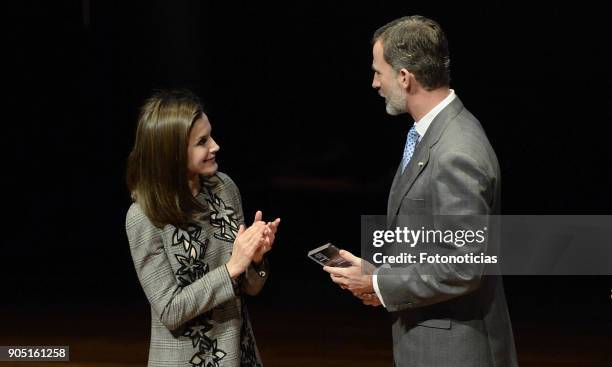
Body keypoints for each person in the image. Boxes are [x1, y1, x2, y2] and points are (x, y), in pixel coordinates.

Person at [324, 16, 518, 366]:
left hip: (454, 350)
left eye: (378, 72)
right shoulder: (432, 133)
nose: (374, 83)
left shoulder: (456, 150)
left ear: (404, 77)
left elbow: (463, 264)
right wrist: (376, 276)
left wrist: (380, 284)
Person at [125, 89, 280, 367]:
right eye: (202, 142)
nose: (215, 146)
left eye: (210, 136)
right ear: (171, 152)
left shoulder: (224, 188)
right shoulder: (144, 216)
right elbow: (171, 310)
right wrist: (232, 267)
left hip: (240, 353)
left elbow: (249, 288)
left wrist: (256, 259)